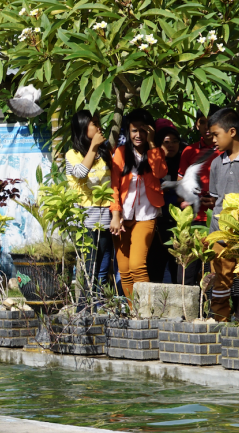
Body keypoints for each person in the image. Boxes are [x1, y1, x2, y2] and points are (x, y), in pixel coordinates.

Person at [109, 110, 167, 297]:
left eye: (143, 130)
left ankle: (146, 312)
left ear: (150, 131)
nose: (138, 135)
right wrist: (116, 215)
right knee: (124, 270)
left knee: (137, 266)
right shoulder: (121, 152)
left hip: (146, 214)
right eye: (134, 130)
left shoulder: (156, 152)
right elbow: (114, 186)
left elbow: (160, 173)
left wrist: (152, 144)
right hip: (122, 216)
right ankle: (134, 315)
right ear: (128, 131)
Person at [65, 110, 115, 293]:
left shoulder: (105, 151)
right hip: (84, 215)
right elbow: (80, 173)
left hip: (105, 213)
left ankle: (98, 301)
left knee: (103, 261)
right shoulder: (72, 154)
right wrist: (93, 147)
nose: (98, 126)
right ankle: (85, 303)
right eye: (94, 123)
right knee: (90, 261)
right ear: (83, 127)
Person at [204, 108, 239, 320]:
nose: (213, 140)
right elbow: (217, 200)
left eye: (216, 135)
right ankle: (220, 323)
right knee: (220, 281)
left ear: (232, 132)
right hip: (219, 235)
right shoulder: (216, 163)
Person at [150, 125, 185, 284]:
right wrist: (174, 199)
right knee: (156, 265)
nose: (171, 145)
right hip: (157, 221)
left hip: (180, 224)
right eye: (166, 142)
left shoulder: (184, 163)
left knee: (177, 265)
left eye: (175, 141)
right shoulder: (153, 163)